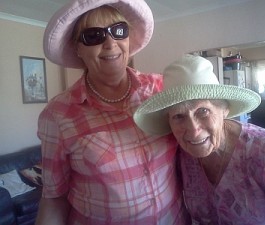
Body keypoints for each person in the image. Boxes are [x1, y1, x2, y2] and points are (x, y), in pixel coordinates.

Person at [35, 0, 190, 224]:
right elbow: (54, 198)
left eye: (118, 31)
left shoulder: (160, 89)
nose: (110, 43)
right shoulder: (58, 115)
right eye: (94, 36)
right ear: (77, 48)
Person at [134, 54, 265, 225]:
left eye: (203, 111)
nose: (193, 130)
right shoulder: (182, 153)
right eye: (178, 116)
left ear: (224, 109)